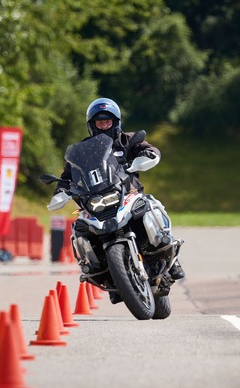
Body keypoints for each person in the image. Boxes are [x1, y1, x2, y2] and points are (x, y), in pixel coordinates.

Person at [54, 98, 185, 291]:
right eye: (100, 123)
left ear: (115, 123)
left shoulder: (127, 139)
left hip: (128, 193)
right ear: (92, 125)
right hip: (97, 201)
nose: (104, 126)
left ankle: (170, 256)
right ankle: (98, 270)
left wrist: (149, 154)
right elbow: (67, 176)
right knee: (80, 228)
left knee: (150, 204)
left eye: (108, 122)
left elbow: (147, 148)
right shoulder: (84, 150)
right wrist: (61, 191)